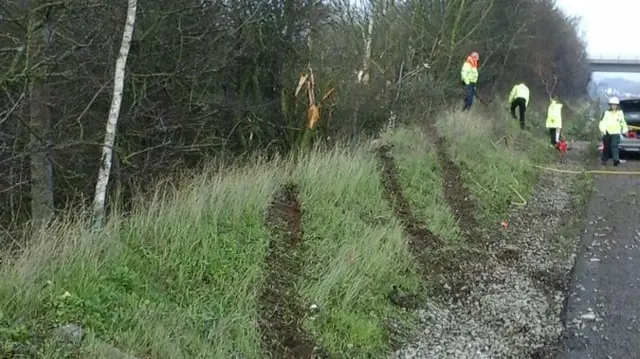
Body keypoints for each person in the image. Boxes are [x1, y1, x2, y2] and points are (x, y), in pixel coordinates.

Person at [598, 96, 628, 166]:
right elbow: (602, 122)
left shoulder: (620, 113)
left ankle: (616, 160)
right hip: (607, 132)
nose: (613, 106)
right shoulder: (606, 113)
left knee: (614, 146)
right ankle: (604, 160)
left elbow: (623, 122)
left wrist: (625, 129)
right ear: (610, 105)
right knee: (606, 147)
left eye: (615, 105)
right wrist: (603, 129)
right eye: (612, 104)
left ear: (617, 105)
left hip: (616, 132)